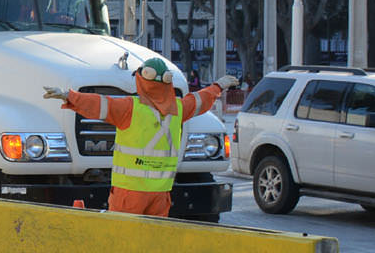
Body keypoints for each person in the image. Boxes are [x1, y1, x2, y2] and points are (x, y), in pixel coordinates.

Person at [45, 59, 237, 218]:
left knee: (123, 240)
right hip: (160, 193)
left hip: (129, 193)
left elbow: (98, 104)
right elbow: (200, 100)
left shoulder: (130, 108)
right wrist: (219, 86)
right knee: (152, 241)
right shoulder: (179, 109)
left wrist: (68, 96)